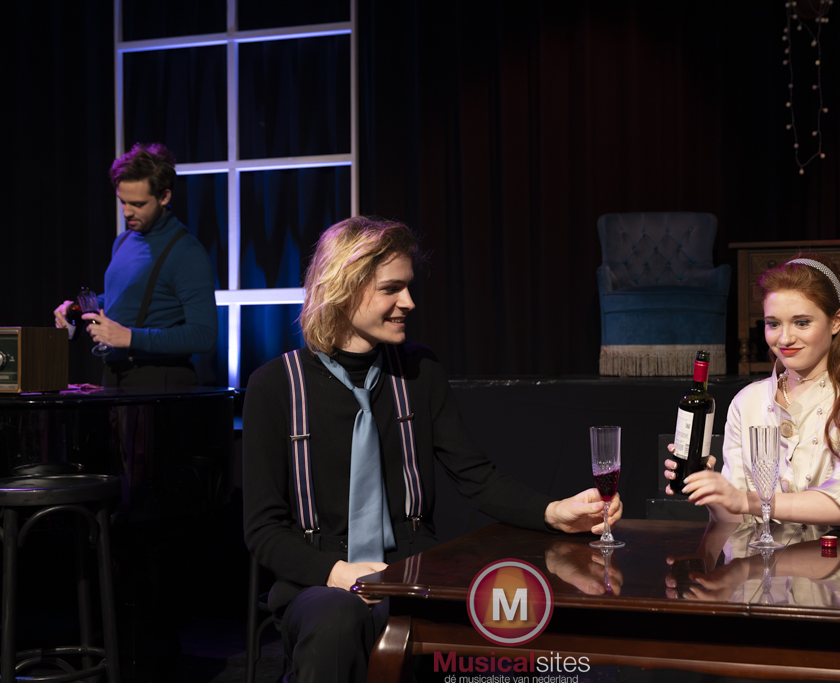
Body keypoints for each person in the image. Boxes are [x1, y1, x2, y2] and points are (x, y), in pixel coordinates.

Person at [243, 216, 622, 683]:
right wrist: (337, 572)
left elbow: (476, 477)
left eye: (408, 287)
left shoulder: (419, 371)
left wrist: (554, 512)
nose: (409, 302)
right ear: (344, 287)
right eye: (391, 289)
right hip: (320, 580)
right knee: (336, 621)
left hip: (412, 571)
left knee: (463, 618)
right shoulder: (275, 386)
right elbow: (263, 529)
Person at [665, 254, 840, 529]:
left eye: (802, 323)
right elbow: (737, 524)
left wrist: (746, 500)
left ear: (836, 321)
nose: (785, 338)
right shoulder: (748, 401)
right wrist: (713, 492)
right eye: (773, 324)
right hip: (767, 557)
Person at [53, 142, 218, 387]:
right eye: (123, 201)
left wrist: (130, 337)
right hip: (115, 374)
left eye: (138, 204)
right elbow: (123, 298)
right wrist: (77, 309)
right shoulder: (124, 240)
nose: (127, 212)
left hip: (161, 380)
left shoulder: (187, 253)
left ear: (164, 196)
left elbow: (204, 335)